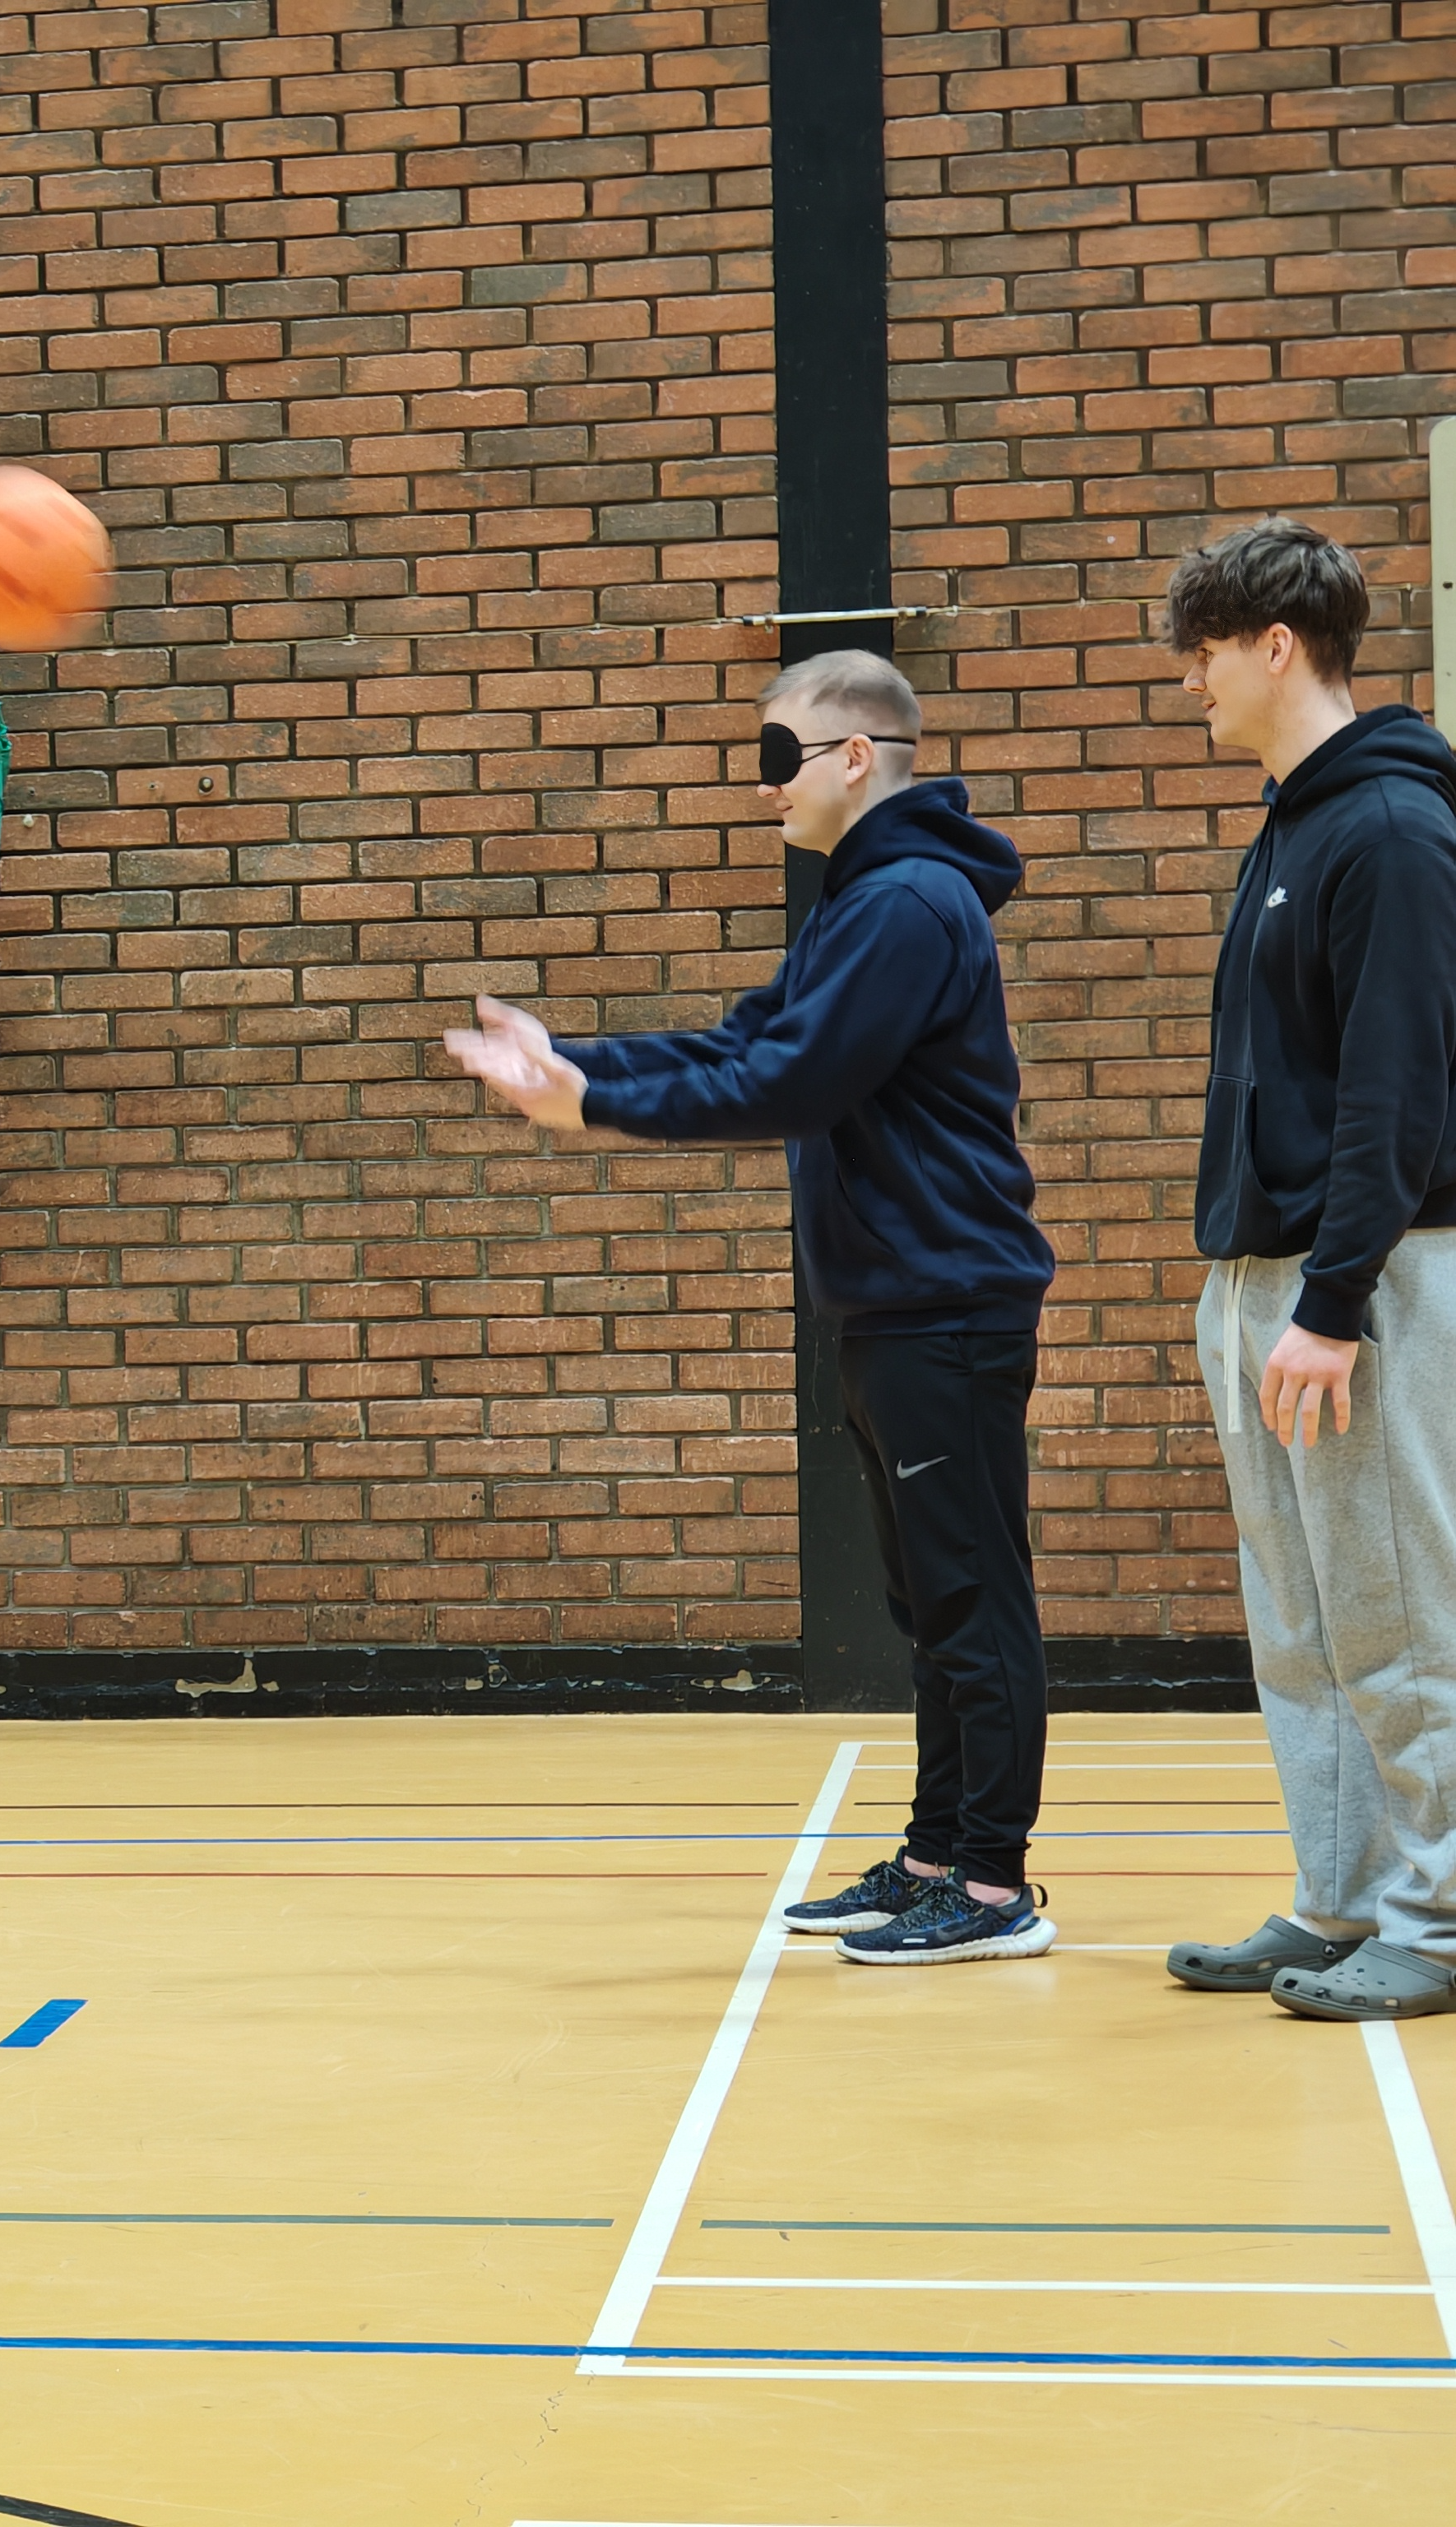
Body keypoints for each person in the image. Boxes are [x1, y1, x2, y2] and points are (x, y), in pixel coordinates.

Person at [448, 648, 1062, 1964]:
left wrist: (592, 1105)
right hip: (897, 1303)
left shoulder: (904, 904)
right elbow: (746, 1041)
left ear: (855, 757)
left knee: (969, 1599)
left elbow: (795, 1081)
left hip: (944, 1301)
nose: (764, 786)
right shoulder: (864, 906)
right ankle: (937, 1852)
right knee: (927, 1602)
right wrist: (577, 1062)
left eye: (780, 756)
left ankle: (995, 1889)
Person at [1155, 517, 1456, 2023]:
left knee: (1402, 1603)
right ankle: (1347, 1898)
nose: (1188, 683)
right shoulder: (1291, 826)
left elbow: (1398, 1090)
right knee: (1307, 1615)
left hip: (1368, 1283)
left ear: (1277, 644)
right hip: (1267, 1276)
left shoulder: (1390, 829)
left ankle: (1445, 1912)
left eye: (1200, 654)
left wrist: (1331, 1305)